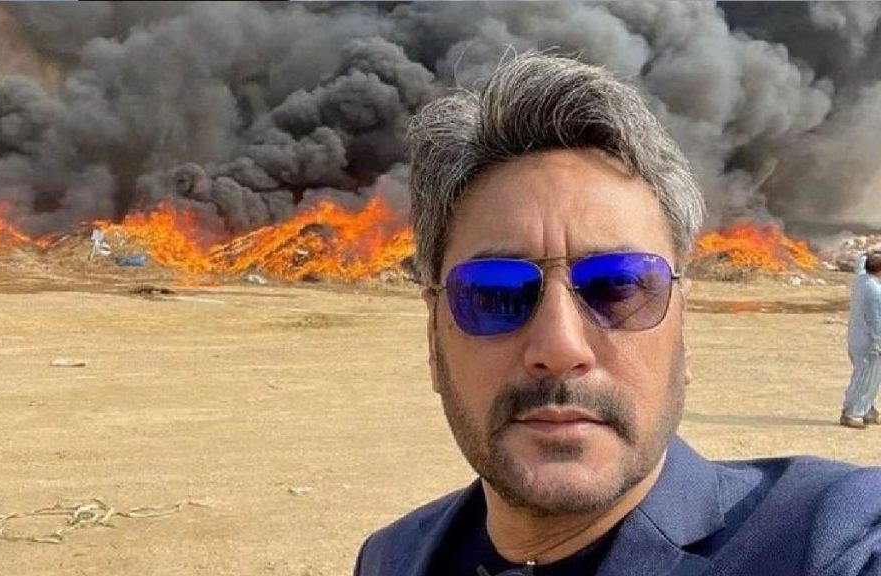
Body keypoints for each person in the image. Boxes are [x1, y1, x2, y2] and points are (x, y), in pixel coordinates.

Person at [354, 52, 881, 576]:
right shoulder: (389, 558)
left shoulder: (831, 539)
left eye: (618, 286)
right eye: (495, 293)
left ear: (682, 333)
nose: (560, 347)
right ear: (434, 340)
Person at [841, 250, 881, 429]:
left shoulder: (861, 280)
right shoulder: (875, 292)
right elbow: (877, 322)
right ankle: (853, 413)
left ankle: (867, 410)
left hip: (856, 337)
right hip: (869, 343)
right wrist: (878, 344)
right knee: (865, 378)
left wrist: (867, 254)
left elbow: (861, 262)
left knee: (868, 378)